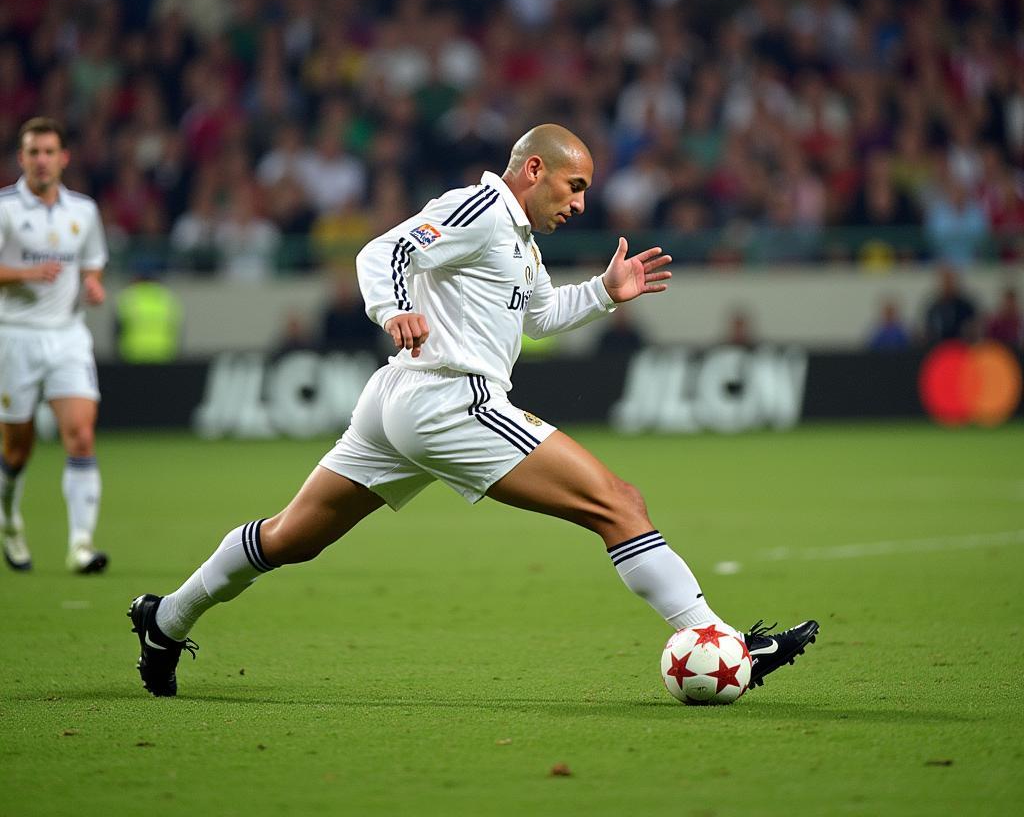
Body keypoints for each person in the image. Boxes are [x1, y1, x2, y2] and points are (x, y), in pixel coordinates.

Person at [128, 124, 817, 696]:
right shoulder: (481, 209)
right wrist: (394, 306)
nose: (580, 203)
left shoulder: (518, 239)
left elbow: (539, 315)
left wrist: (605, 292)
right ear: (535, 169)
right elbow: (385, 249)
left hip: (401, 400)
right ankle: (727, 648)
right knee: (618, 503)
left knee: (290, 539)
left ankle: (166, 620)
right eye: (574, 187)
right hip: (451, 399)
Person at [0, 116, 109, 573]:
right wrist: (26, 273)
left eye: (49, 152)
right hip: (14, 336)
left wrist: (93, 285)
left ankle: (81, 545)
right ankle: (9, 520)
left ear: (63, 158)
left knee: (81, 436)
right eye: (33, 152)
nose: (41, 161)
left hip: (67, 336)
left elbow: (91, 264)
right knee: (16, 450)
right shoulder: (4, 208)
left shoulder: (83, 211)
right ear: (21, 158)